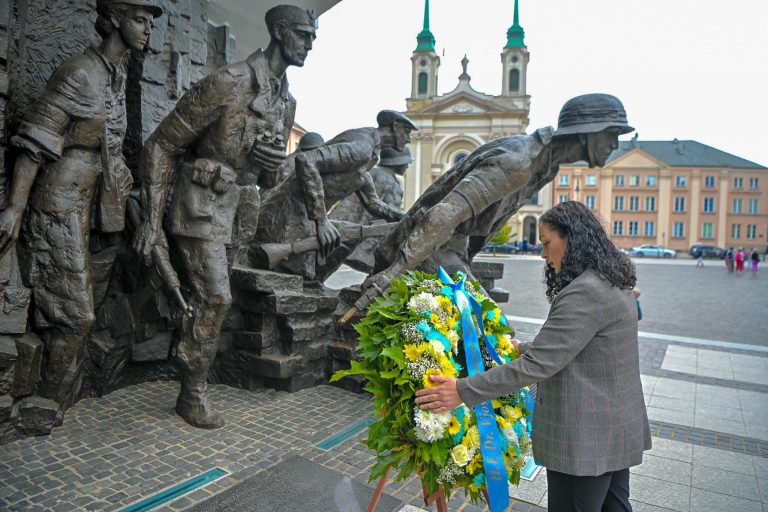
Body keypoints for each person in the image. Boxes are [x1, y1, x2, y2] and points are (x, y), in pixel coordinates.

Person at [133, 5, 317, 429]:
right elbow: (161, 146)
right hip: (198, 204)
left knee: (208, 300)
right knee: (216, 297)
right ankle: (191, 391)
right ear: (279, 30)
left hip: (236, 212)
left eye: (313, 37)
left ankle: (188, 365)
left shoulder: (286, 101)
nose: (309, 44)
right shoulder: (229, 82)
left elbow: (267, 177)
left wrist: (269, 163)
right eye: (304, 34)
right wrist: (150, 221)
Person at [415, 200, 651, 511]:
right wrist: (522, 347)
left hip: (586, 440)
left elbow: (537, 365)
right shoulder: (610, 281)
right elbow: (578, 346)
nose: (542, 254)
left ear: (571, 238)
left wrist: (461, 391)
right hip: (614, 428)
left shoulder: (584, 291)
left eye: (546, 243)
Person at [0, 0, 163, 408]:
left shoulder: (117, 75)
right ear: (113, 20)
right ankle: (45, 404)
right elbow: (36, 143)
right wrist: (15, 208)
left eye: (150, 22)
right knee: (76, 315)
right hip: (57, 204)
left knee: (85, 308)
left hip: (94, 206)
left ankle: (56, 402)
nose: (148, 30)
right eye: (140, 20)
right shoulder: (79, 72)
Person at [345, 93, 634, 319]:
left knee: (485, 326)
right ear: (588, 132)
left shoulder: (546, 167)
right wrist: (391, 273)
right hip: (430, 247)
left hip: (449, 247)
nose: (614, 144)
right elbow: (444, 214)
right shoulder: (519, 162)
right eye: (611, 134)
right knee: (489, 325)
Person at [329, 146, 413, 274]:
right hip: (362, 244)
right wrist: (409, 217)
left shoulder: (372, 172)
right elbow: (390, 216)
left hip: (336, 227)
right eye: (406, 162)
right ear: (397, 161)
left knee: (329, 263)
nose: (407, 166)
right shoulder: (393, 185)